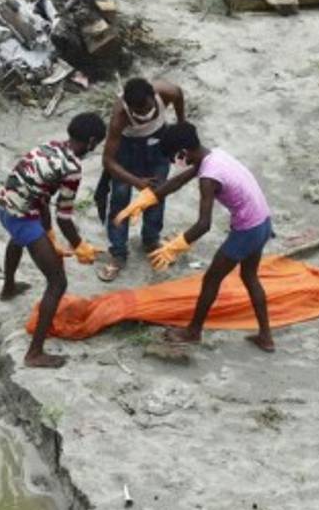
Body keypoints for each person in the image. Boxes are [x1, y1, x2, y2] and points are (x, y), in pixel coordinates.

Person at [116, 121, 274, 352]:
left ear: (184, 152)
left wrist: (175, 246)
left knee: (211, 279)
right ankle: (266, 336)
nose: (174, 163)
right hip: (263, 221)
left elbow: (204, 224)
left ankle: (193, 331)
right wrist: (147, 199)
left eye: (174, 157)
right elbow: (178, 181)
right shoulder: (213, 156)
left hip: (247, 230)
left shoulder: (208, 177)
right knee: (249, 276)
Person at [0, 112, 106, 368]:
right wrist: (80, 246)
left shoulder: (51, 147)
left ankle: (8, 288)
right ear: (91, 141)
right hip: (23, 217)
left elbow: (41, 192)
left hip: (5, 205)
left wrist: (48, 232)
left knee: (17, 240)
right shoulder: (72, 168)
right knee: (57, 282)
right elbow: (65, 216)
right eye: (96, 144)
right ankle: (34, 353)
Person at [97, 76, 186, 282]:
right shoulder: (120, 117)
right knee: (120, 200)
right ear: (128, 107)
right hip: (127, 151)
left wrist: (181, 124)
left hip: (158, 144)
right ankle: (118, 252)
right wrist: (135, 181)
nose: (144, 113)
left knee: (156, 194)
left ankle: (151, 241)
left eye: (146, 107)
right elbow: (108, 161)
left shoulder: (167, 91)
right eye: (137, 111)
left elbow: (179, 95)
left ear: (153, 96)